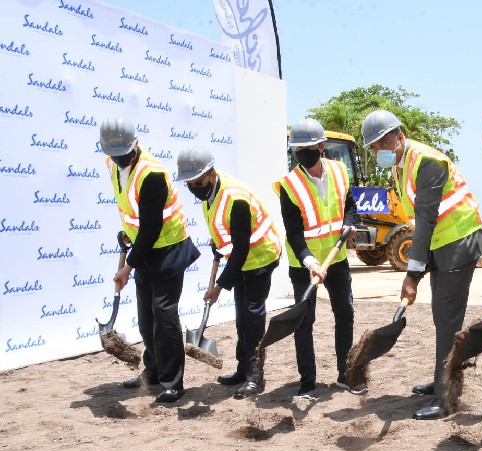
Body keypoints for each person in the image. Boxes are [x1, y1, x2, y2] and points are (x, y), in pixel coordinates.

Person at [362, 109, 482, 420]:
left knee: (447, 319)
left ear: (399, 137)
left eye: (384, 143)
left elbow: (425, 219)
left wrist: (412, 274)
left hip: (460, 241)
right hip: (442, 242)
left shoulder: (426, 161)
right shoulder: (401, 163)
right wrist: (419, 268)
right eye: (374, 147)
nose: (379, 150)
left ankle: (445, 397)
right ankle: (441, 379)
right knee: (441, 317)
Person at [99, 118, 200, 403]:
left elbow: (152, 227)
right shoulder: (112, 164)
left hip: (168, 248)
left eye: (123, 153)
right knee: (146, 318)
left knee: (164, 314)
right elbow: (132, 209)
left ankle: (173, 382)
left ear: (136, 143)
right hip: (143, 247)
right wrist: (127, 234)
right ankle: (153, 371)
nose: (119, 158)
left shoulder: (152, 173)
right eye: (114, 154)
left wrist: (127, 267)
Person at [174, 147, 282, 399]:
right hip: (241, 258)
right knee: (241, 316)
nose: (194, 187)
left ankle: (255, 376)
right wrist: (219, 243)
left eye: (198, 182)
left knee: (252, 316)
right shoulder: (210, 192)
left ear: (211, 174)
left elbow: (242, 248)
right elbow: (227, 229)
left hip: (261, 256)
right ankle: (243, 369)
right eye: (189, 184)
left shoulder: (235, 197)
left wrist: (218, 287)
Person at [275, 118, 358, 400]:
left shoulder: (339, 171)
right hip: (304, 265)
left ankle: (346, 374)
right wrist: (310, 263)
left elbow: (349, 205)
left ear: (321, 147)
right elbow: (294, 234)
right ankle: (308, 382)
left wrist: (349, 223)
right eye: (297, 150)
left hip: (337, 257)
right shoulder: (289, 185)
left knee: (345, 314)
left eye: (307, 149)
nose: (302, 154)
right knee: (303, 321)